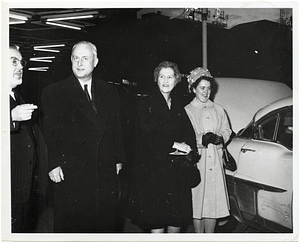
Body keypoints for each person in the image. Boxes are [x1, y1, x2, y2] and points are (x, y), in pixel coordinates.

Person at [41, 40, 127, 232]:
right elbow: (49, 132)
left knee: (103, 224)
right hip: (71, 172)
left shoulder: (110, 91)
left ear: (95, 62)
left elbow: (116, 128)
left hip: (103, 170)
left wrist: (118, 159)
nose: (79, 63)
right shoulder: (54, 92)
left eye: (85, 58)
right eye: (75, 58)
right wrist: (53, 164)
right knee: (73, 226)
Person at [127, 61, 198, 233]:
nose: (165, 80)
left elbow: (188, 132)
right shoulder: (146, 104)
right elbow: (146, 133)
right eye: (161, 76)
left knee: (176, 223)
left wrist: (189, 147)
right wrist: (174, 144)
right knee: (157, 224)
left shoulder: (178, 105)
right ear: (156, 80)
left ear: (176, 80)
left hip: (175, 173)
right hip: (153, 173)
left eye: (170, 77)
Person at [184, 67, 232, 233]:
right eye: (202, 88)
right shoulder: (188, 111)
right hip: (198, 162)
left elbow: (227, 129)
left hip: (215, 162)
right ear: (194, 89)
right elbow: (185, 135)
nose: (206, 92)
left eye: (208, 88)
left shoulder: (218, 109)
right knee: (198, 201)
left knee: (212, 202)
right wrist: (201, 139)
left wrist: (221, 137)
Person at [9, 45, 48, 232]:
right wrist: (10, 117)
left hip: (21, 190)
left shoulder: (17, 97)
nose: (20, 67)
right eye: (13, 62)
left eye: (21, 62)